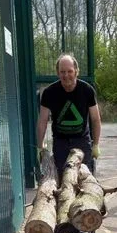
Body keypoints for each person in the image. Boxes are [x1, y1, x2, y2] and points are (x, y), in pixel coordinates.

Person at [37, 53, 101, 181]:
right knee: (63, 180)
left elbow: (95, 119)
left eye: (70, 71)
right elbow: (42, 121)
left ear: (76, 71)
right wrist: (40, 146)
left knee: (84, 179)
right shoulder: (49, 93)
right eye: (62, 72)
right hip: (60, 143)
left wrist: (96, 145)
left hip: (82, 141)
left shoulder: (87, 90)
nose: (66, 75)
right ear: (58, 73)